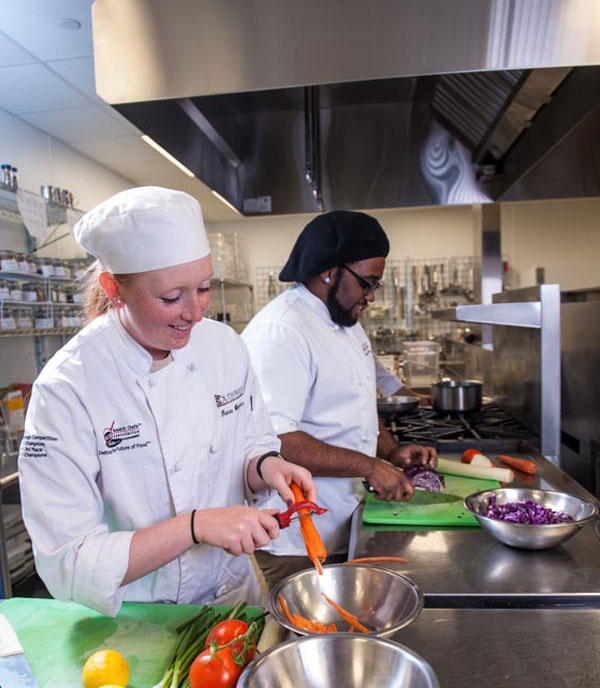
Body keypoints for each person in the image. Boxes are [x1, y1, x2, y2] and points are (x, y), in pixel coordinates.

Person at [18, 186, 315, 617]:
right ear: (114, 289)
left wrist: (267, 467)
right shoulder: (68, 387)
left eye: (202, 288)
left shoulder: (223, 346)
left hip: (234, 600)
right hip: (135, 619)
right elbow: (68, 560)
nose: (194, 312)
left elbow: (250, 441)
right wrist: (195, 526)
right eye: (171, 298)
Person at [242, 210, 437, 586]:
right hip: (299, 537)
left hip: (343, 518)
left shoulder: (344, 322)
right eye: (367, 283)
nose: (372, 297)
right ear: (329, 271)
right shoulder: (282, 332)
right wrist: (368, 466)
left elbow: (358, 402)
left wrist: (390, 452)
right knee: (312, 636)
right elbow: (276, 441)